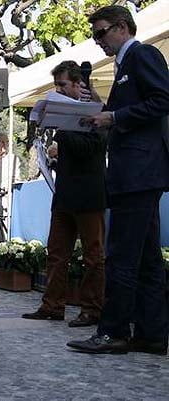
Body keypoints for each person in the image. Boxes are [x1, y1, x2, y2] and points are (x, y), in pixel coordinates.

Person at [68, 5, 169, 355]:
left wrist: (114, 116)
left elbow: (163, 100)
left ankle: (112, 332)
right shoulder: (125, 64)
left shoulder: (142, 54)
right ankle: (152, 333)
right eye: (94, 35)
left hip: (138, 172)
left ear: (122, 27)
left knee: (123, 255)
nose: (97, 41)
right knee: (146, 258)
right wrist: (100, 108)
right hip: (138, 172)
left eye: (101, 32)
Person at [22, 60, 106, 328]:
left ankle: (91, 309)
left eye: (62, 85)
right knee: (57, 253)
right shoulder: (63, 115)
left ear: (77, 84)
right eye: (56, 85)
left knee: (93, 255)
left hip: (89, 193)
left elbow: (95, 147)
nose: (57, 90)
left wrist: (61, 138)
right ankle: (52, 305)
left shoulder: (97, 111)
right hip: (65, 192)